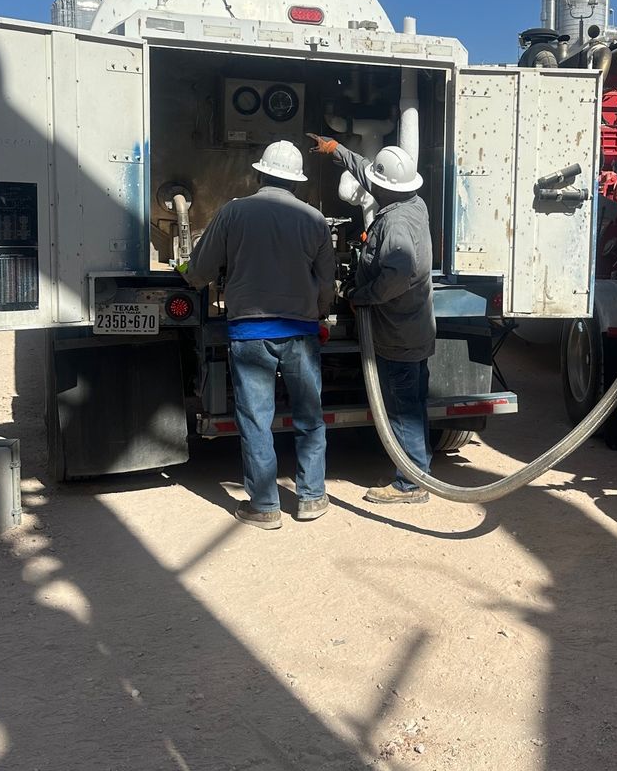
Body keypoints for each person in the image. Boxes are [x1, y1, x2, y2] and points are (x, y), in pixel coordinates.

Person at [185, 140, 334, 529]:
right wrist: (317, 312)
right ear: (297, 184)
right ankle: (312, 497)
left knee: (255, 419)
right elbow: (326, 286)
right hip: (300, 331)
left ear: (259, 174)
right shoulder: (315, 220)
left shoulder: (234, 212)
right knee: (309, 416)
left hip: (249, 331)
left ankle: (265, 506)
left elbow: (200, 270)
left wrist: (188, 271)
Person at [309, 134, 435, 504]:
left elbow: (398, 275)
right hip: (414, 328)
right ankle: (419, 471)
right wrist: (338, 152)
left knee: (402, 412)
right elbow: (369, 173)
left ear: (386, 187)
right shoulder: (414, 204)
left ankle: (410, 485)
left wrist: (357, 296)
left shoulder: (395, 225)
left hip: (396, 332)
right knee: (413, 405)